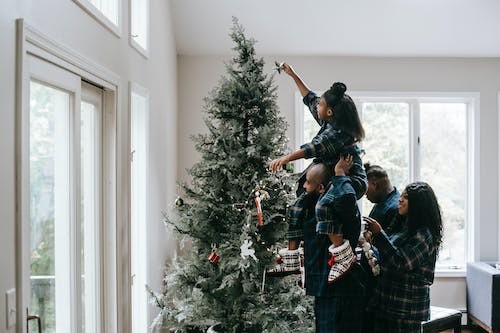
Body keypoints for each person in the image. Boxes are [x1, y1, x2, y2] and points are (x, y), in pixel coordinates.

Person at [269, 63, 366, 283]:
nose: (318, 106)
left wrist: (284, 159)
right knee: (296, 207)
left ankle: (343, 255)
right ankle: (292, 261)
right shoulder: (329, 118)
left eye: (322, 104)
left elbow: (309, 149)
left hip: (351, 178)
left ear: (329, 112)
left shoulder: (337, 133)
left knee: (323, 206)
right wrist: (293, 74)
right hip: (332, 176)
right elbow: (309, 98)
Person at [270, 159, 367, 332]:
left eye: (309, 182)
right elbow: (302, 189)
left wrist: (340, 174)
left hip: (341, 290)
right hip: (322, 288)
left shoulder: (339, 206)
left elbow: (346, 197)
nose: (305, 186)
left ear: (322, 187)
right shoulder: (310, 207)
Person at [363, 182, 443, 333]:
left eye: (406, 198)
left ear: (419, 205)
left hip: (406, 309)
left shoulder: (424, 234)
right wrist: (369, 241)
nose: (400, 200)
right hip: (386, 303)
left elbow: (401, 263)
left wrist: (379, 234)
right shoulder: (402, 227)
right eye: (401, 196)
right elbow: (385, 256)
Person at [364, 163, 400, 230]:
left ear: (375, 184)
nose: (364, 193)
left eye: (365, 187)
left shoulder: (395, 208)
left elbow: (388, 240)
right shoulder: (380, 201)